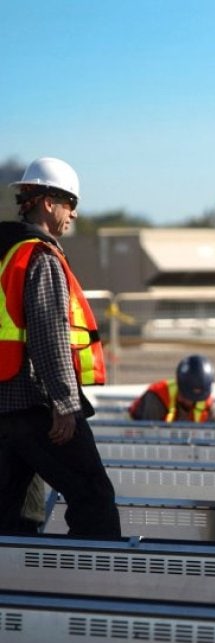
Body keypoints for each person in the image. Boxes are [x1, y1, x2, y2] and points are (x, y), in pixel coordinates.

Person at [0, 157, 122, 538]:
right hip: (35, 403)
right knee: (94, 496)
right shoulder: (40, 256)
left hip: (4, 405)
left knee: (13, 514)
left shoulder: (5, 253)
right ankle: (93, 586)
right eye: (70, 203)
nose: (74, 213)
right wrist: (66, 404)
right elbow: (49, 334)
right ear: (48, 202)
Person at [128, 354, 215, 422]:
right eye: (186, 396)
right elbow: (148, 436)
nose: (189, 402)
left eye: (194, 399)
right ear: (179, 385)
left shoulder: (208, 405)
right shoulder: (157, 397)